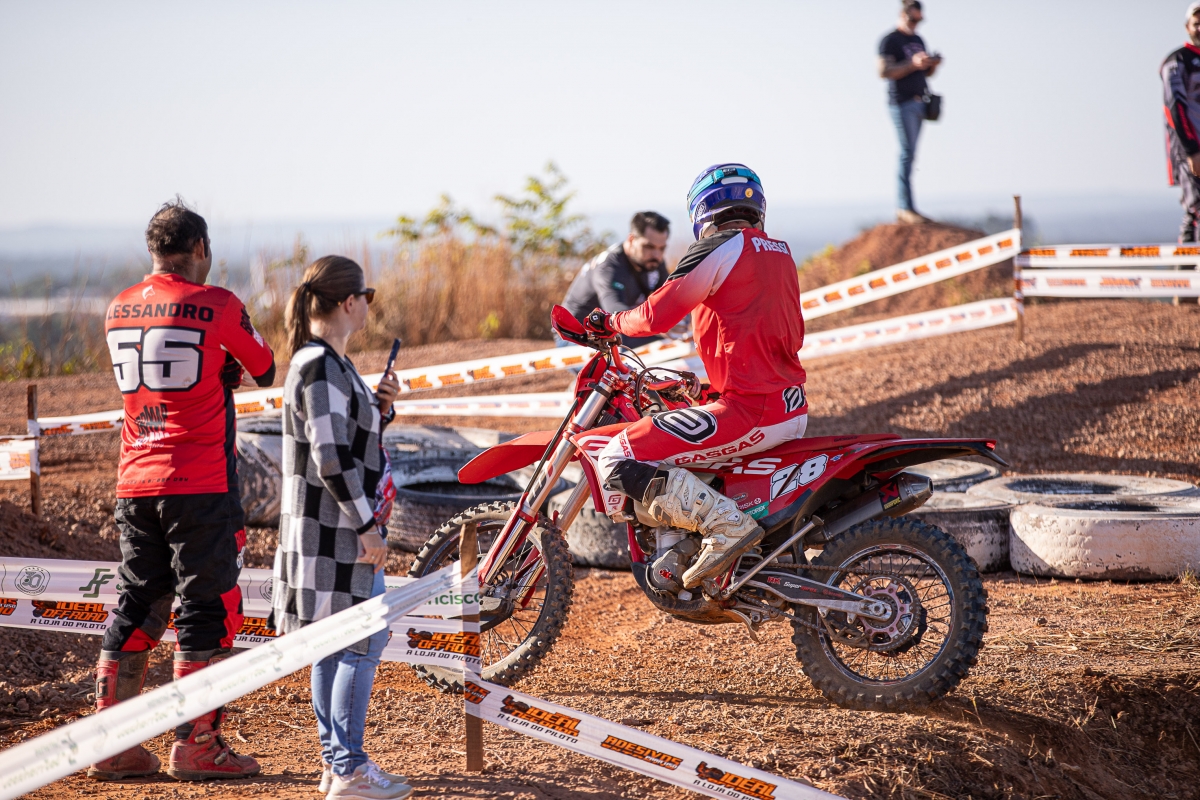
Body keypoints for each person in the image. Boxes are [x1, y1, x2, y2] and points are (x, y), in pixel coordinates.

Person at [90, 200, 276, 781]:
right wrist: (224, 366)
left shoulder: (118, 307)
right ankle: (197, 745)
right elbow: (266, 368)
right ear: (200, 248)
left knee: (138, 606)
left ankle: (110, 746)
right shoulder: (218, 303)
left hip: (134, 479)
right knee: (209, 608)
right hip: (199, 482)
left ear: (153, 251)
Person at [589, 164, 808, 590]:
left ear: (702, 211)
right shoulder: (780, 253)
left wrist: (609, 322)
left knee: (617, 455)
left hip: (750, 410)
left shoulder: (719, 247)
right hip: (789, 406)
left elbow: (654, 316)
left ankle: (725, 526)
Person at [269, 256, 410, 800]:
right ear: (349, 302)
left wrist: (379, 409)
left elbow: (342, 442)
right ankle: (348, 768)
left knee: (335, 646)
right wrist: (367, 525)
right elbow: (330, 459)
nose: (368, 306)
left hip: (328, 532)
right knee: (361, 643)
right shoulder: (320, 365)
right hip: (335, 535)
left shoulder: (327, 362)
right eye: (366, 298)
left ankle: (338, 764)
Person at [561, 211, 671, 347]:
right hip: (575, 337)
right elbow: (616, 313)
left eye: (662, 248)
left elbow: (671, 298)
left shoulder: (653, 261)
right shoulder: (609, 267)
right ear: (631, 239)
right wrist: (659, 326)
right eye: (648, 246)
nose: (656, 254)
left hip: (609, 334)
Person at [878, 0, 942, 225]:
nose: (916, 24)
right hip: (902, 103)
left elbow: (926, 73)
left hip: (920, 102)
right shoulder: (890, 40)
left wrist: (931, 64)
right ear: (903, 14)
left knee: (911, 154)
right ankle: (904, 207)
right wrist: (913, 63)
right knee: (907, 153)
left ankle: (908, 206)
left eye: (919, 20)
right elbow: (883, 71)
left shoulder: (918, 40)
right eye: (914, 19)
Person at [1162, 2, 1200, 243]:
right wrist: (1192, 150)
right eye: (1197, 24)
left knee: (1194, 212)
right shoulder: (1177, 61)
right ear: (1187, 27)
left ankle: (1183, 263)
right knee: (1197, 207)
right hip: (1190, 149)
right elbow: (1175, 107)